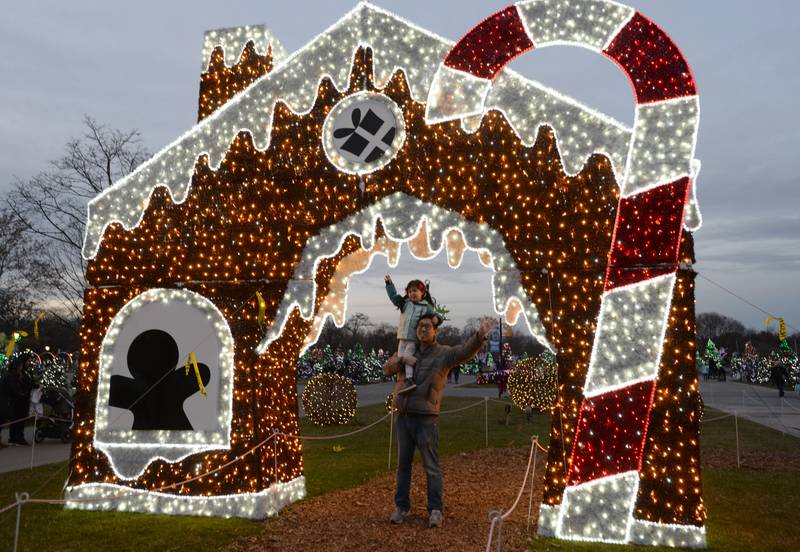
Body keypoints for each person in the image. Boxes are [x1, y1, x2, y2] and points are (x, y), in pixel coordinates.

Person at [384, 314, 496, 528]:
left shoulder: (443, 354)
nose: (423, 329)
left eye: (427, 326)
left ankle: (435, 510)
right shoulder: (407, 350)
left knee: (431, 467)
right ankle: (401, 507)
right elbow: (387, 368)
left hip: (426, 419)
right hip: (403, 417)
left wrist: (480, 336)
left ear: (435, 331)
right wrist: (401, 360)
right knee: (402, 466)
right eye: (420, 326)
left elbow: (463, 352)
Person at [384, 275, 439, 395]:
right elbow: (394, 297)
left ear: (422, 292)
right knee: (400, 359)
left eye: (415, 290)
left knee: (407, 357)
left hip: (413, 339)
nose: (412, 293)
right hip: (402, 338)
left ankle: (410, 380)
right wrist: (389, 285)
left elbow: (435, 315)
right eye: (409, 291)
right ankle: (401, 380)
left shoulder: (426, 307)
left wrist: (436, 319)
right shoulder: (405, 304)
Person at [2, 354, 35, 446]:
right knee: (18, 419)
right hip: (19, 400)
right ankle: (17, 437)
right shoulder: (16, 374)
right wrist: (21, 393)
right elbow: (15, 387)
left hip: (21, 399)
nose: (29, 363)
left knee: (18, 419)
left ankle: (14, 437)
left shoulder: (25, 373)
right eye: (28, 361)